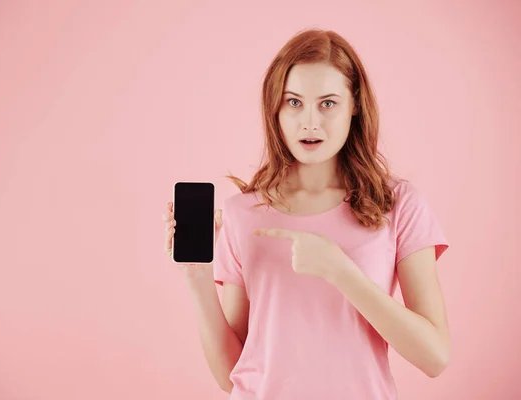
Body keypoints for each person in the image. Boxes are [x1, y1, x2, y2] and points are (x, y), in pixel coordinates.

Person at [162, 28, 450, 400]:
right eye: (294, 102)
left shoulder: (398, 204)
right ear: (275, 108)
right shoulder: (243, 213)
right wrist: (198, 278)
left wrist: (341, 271)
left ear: (355, 104)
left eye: (327, 103)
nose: (309, 121)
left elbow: (434, 357)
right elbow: (231, 376)